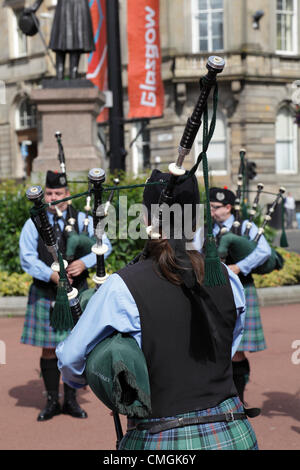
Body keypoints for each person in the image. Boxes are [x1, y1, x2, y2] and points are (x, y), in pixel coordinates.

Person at [56, 170, 258, 450]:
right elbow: (229, 345)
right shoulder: (227, 277)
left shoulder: (121, 286)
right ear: (197, 219)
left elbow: (70, 359)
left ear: (146, 219)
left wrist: (98, 380)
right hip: (233, 434)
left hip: (161, 438)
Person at [20, 170, 112, 421]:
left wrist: (84, 262)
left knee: (75, 345)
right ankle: (52, 401)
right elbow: (26, 257)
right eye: (49, 193)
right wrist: (50, 274)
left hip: (77, 292)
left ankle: (71, 401)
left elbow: (106, 244)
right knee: (49, 349)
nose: (52, 197)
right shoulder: (33, 223)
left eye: (58, 193)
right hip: (46, 292)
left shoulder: (82, 218)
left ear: (68, 195)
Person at [208, 187, 271, 404]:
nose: (211, 212)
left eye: (215, 208)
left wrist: (239, 267)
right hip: (215, 293)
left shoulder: (245, 226)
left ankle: (239, 399)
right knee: (220, 349)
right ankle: (224, 397)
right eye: (209, 208)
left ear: (227, 207)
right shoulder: (209, 229)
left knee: (237, 351)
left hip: (242, 290)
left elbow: (264, 251)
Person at [22, 0, 95, 80]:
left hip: (70, 5)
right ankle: (67, 74)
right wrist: (34, 6)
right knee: (67, 40)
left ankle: (64, 74)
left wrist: (35, 6)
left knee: (67, 40)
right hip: (72, 5)